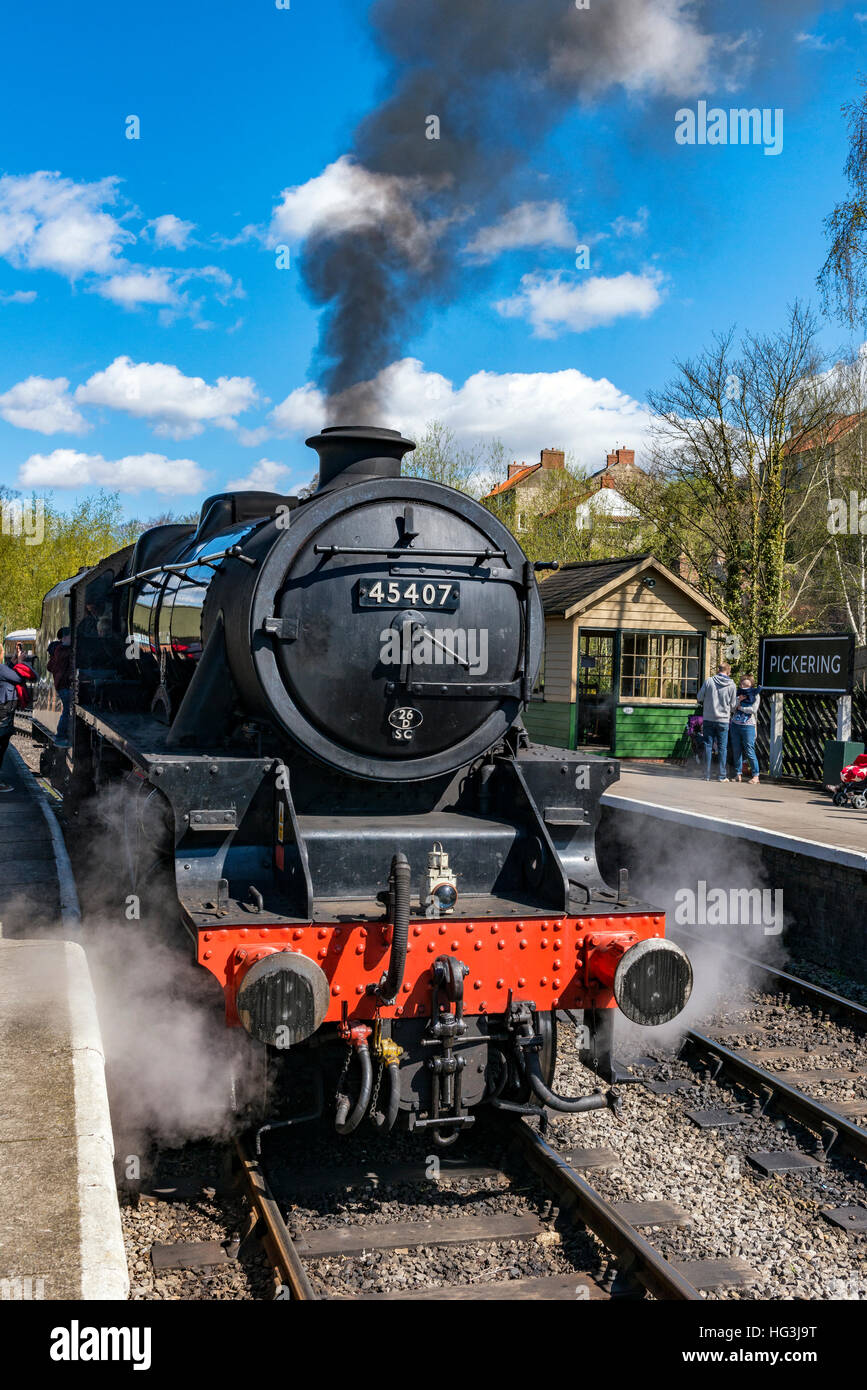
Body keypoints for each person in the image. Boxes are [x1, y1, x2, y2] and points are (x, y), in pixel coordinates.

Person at [696, 660, 738, 783]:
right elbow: (733, 705)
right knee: (722, 748)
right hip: (723, 720)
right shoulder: (732, 685)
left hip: (709, 718)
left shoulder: (709, 681)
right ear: (728, 672)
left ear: (718, 670)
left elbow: (699, 697)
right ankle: (721, 776)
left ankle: (706, 775)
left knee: (708, 746)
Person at [730, 673, 761, 784]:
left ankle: (755, 776)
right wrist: (739, 700)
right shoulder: (737, 694)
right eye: (742, 684)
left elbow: (753, 709)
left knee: (749, 750)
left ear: (751, 686)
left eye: (747, 685)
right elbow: (732, 708)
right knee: (736, 750)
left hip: (748, 725)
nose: (744, 687)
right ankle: (738, 774)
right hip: (735, 724)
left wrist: (741, 708)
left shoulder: (755, 695)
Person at [47, 626, 73, 746]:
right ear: (64, 638)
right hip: (63, 685)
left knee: (67, 709)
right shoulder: (62, 650)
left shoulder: (58, 649)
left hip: (61, 685)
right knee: (67, 709)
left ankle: (63, 735)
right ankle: (60, 736)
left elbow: (49, 666)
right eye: (70, 637)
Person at [0, 656, 22, 792]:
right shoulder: (1, 668)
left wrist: (11, 663)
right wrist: (20, 663)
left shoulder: (2, 668)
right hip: (3, 712)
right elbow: (18, 678)